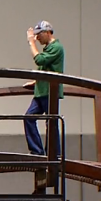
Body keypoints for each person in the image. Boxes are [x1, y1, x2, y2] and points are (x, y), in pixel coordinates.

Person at [24, 20, 64, 157]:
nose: (37, 38)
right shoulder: (49, 48)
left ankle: (54, 154)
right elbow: (46, 68)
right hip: (41, 90)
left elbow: (40, 60)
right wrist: (37, 81)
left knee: (51, 121)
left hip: (49, 91)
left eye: (39, 34)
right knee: (29, 117)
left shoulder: (56, 47)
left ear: (47, 32)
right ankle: (38, 151)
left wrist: (31, 43)